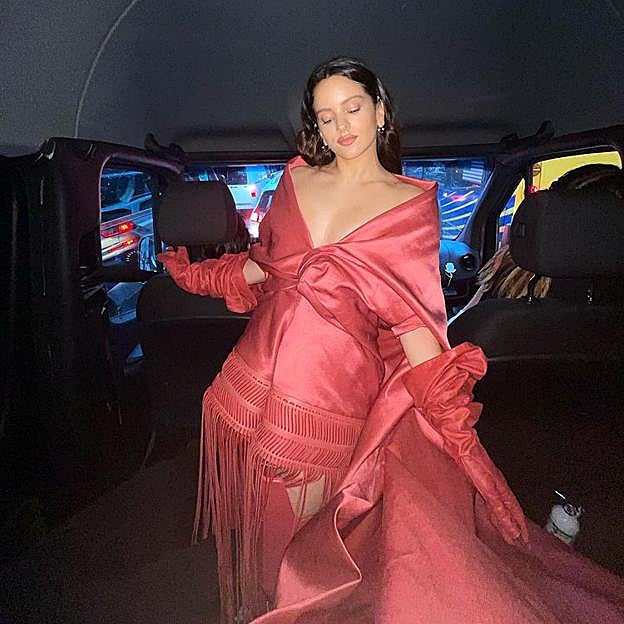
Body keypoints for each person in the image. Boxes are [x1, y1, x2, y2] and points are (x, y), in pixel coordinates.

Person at [158, 58, 624, 623]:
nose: (341, 126)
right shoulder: (294, 179)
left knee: (302, 540)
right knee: (261, 519)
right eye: (326, 116)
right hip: (250, 381)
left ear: (380, 111)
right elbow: (265, 268)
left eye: (352, 108)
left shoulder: (409, 207)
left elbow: (415, 326)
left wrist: (465, 445)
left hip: (326, 397)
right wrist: (195, 276)